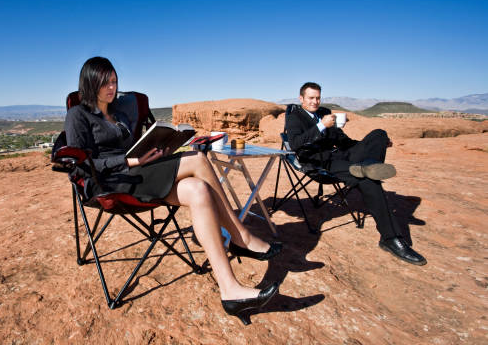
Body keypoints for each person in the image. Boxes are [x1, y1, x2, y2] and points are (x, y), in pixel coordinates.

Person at [64, 56, 283, 324]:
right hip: (112, 182)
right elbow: (81, 166)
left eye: (114, 81)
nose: (112, 88)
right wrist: (128, 160)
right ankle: (241, 237)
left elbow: (135, 148)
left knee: (198, 189)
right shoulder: (78, 115)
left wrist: (156, 151)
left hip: (139, 173)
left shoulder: (119, 112)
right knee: (198, 159)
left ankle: (230, 291)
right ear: (89, 83)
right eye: (104, 83)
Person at [285, 82, 426, 266]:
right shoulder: (295, 117)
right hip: (321, 162)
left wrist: (372, 146)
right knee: (369, 180)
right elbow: (295, 144)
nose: (315, 101)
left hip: (341, 155)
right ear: (301, 98)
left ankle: (368, 164)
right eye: (311, 98)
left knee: (379, 134)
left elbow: (342, 140)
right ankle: (390, 238)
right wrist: (320, 126)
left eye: (318, 97)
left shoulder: (324, 112)